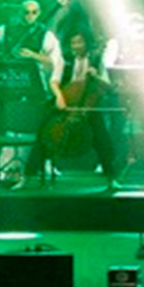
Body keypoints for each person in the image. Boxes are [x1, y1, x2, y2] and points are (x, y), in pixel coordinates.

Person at [16, 28, 118, 192]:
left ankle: (111, 178)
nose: (76, 46)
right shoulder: (65, 60)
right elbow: (54, 81)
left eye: (79, 42)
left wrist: (95, 76)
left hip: (87, 106)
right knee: (43, 136)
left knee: (102, 139)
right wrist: (59, 97)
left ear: (86, 43)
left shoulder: (96, 60)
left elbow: (107, 86)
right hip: (65, 102)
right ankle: (27, 177)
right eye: (73, 43)